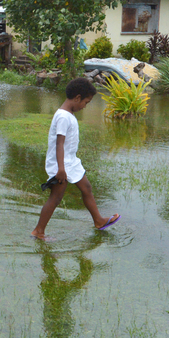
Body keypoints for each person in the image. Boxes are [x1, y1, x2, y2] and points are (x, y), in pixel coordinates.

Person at [32, 77, 120, 239]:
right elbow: (59, 143)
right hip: (61, 165)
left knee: (86, 187)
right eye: (86, 102)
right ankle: (38, 231)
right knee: (56, 198)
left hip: (71, 161)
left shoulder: (68, 114)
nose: (85, 106)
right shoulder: (63, 117)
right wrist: (60, 169)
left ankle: (99, 220)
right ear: (77, 98)